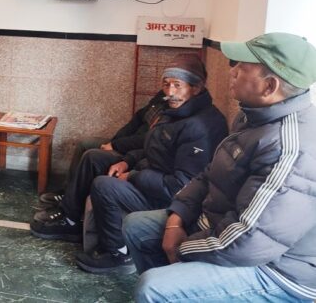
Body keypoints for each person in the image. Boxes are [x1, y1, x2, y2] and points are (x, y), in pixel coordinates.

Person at [123, 33, 316, 302]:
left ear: (269, 86)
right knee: (136, 226)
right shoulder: (253, 117)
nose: (232, 72)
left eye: (242, 68)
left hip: (276, 269)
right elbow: (209, 173)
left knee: (153, 287)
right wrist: (176, 219)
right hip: (221, 227)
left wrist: (181, 247)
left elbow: (248, 240)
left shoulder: (288, 147)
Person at [31, 54, 228, 275]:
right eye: (166, 84)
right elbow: (153, 146)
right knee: (94, 157)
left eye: (177, 85)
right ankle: (70, 221)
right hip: (151, 175)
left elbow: (179, 186)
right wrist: (127, 161)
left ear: (196, 87)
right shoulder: (176, 111)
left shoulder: (200, 126)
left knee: (104, 185)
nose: (170, 92)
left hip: (168, 198)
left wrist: (133, 176)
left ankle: (118, 253)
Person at [39, 89, 167, 207]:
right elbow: (137, 119)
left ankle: (70, 205)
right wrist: (114, 141)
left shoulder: (173, 114)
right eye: (166, 83)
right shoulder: (161, 96)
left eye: (175, 84)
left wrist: (116, 145)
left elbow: (147, 140)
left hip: (134, 152)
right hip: (124, 143)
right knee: (84, 143)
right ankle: (67, 192)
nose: (170, 89)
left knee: (91, 155)